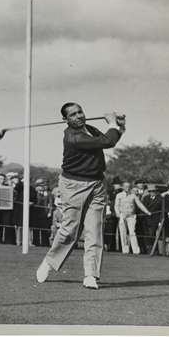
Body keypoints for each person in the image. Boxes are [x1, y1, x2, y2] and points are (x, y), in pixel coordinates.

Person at [36, 103, 126, 290]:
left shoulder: (89, 129)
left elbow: (109, 138)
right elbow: (107, 142)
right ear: (65, 120)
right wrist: (112, 124)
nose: (78, 116)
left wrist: (119, 127)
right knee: (70, 229)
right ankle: (50, 261)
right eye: (73, 114)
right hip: (74, 185)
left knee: (94, 230)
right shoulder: (73, 137)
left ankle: (91, 275)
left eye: (80, 112)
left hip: (98, 184)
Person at [114, 183, 152, 254]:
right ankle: (125, 249)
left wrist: (146, 211)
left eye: (128, 187)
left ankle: (136, 250)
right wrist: (118, 214)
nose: (127, 188)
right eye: (126, 187)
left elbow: (139, 204)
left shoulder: (133, 195)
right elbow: (116, 206)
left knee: (132, 233)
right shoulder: (119, 195)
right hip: (122, 215)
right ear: (122, 187)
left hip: (131, 216)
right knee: (123, 233)